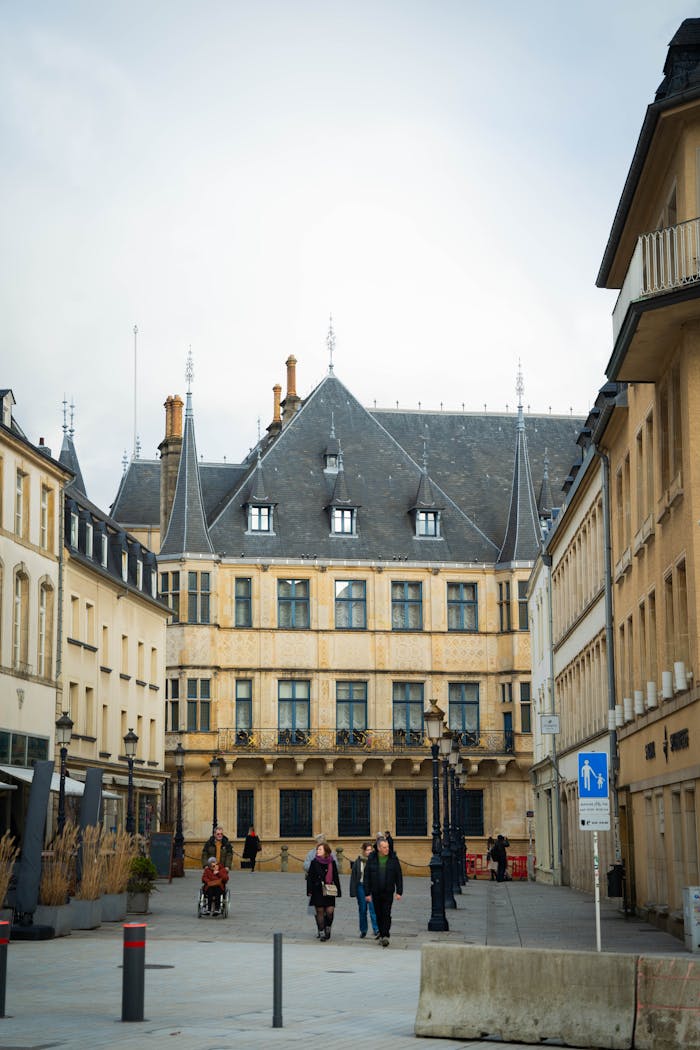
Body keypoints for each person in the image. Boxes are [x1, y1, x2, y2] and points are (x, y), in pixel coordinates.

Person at [363, 836, 403, 947]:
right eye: (384, 847)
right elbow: (367, 876)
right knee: (378, 914)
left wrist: (399, 891)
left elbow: (398, 875)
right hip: (376, 892)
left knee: (386, 913)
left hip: (388, 891)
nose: (387, 849)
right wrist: (367, 893)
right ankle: (381, 933)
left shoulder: (393, 858)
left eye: (388, 847)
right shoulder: (372, 858)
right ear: (379, 848)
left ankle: (385, 935)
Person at [306, 841, 341, 941]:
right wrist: (309, 891)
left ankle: (328, 927)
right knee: (320, 911)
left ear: (326, 851)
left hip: (329, 890)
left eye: (320, 849)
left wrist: (338, 890)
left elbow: (336, 877)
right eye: (317, 849)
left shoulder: (331, 862)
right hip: (317, 891)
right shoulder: (314, 862)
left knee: (330, 911)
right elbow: (310, 878)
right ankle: (321, 931)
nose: (317, 851)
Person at [350, 842, 380, 939]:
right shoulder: (358, 862)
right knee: (362, 909)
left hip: (372, 888)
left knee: (373, 909)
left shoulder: (375, 861)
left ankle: (376, 930)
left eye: (371, 850)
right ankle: (363, 930)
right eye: (367, 850)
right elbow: (354, 877)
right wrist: (352, 891)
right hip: (361, 887)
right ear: (363, 851)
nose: (369, 852)